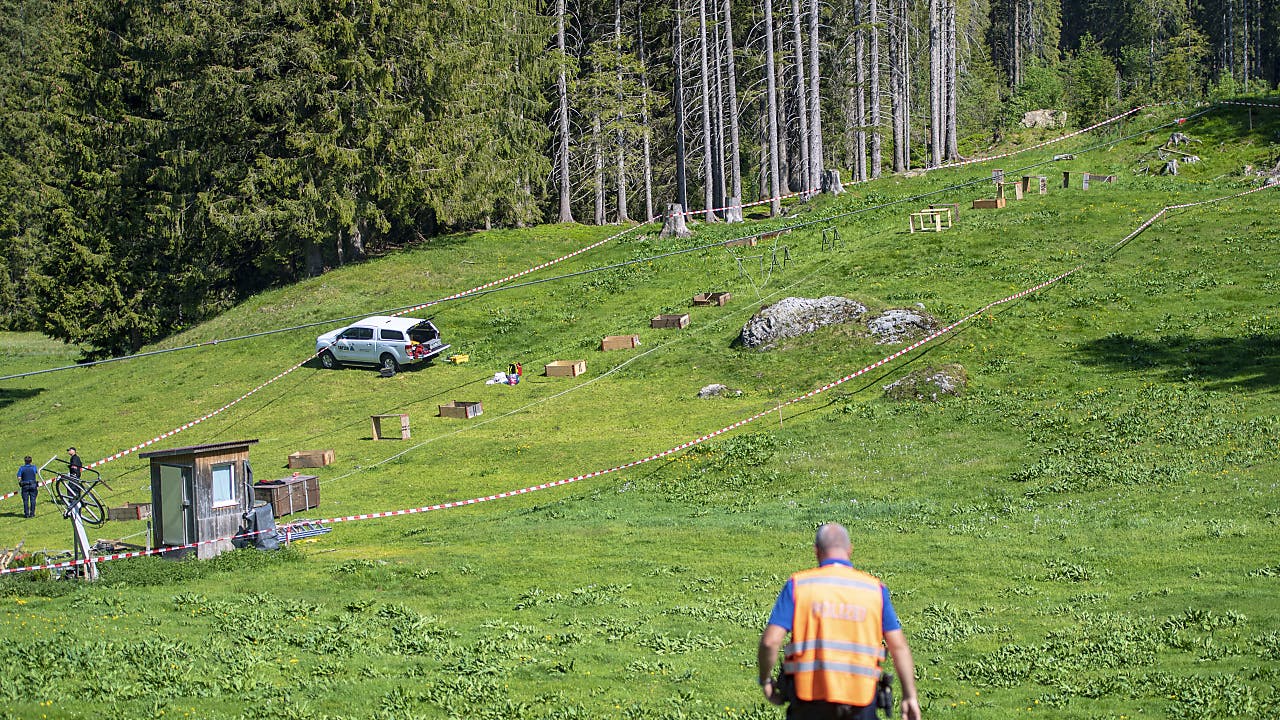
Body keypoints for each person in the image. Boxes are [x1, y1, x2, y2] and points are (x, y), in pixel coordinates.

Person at [758, 523, 922, 720]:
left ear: (816, 551)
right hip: (860, 699)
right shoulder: (874, 590)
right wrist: (909, 695)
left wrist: (766, 680)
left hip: (809, 699)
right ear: (849, 550)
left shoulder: (800, 585)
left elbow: (770, 641)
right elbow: (899, 647)